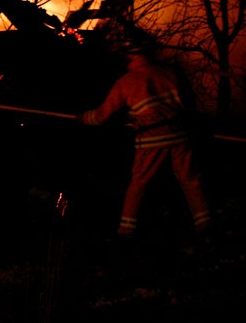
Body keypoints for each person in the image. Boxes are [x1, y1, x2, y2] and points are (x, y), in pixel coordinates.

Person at [77, 44, 213, 243]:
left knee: (138, 184)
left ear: (129, 57)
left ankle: (126, 232)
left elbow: (101, 116)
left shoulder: (127, 82)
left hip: (151, 140)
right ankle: (205, 225)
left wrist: (82, 118)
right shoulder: (167, 73)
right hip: (179, 135)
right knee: (191, 180)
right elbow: (186, 104)